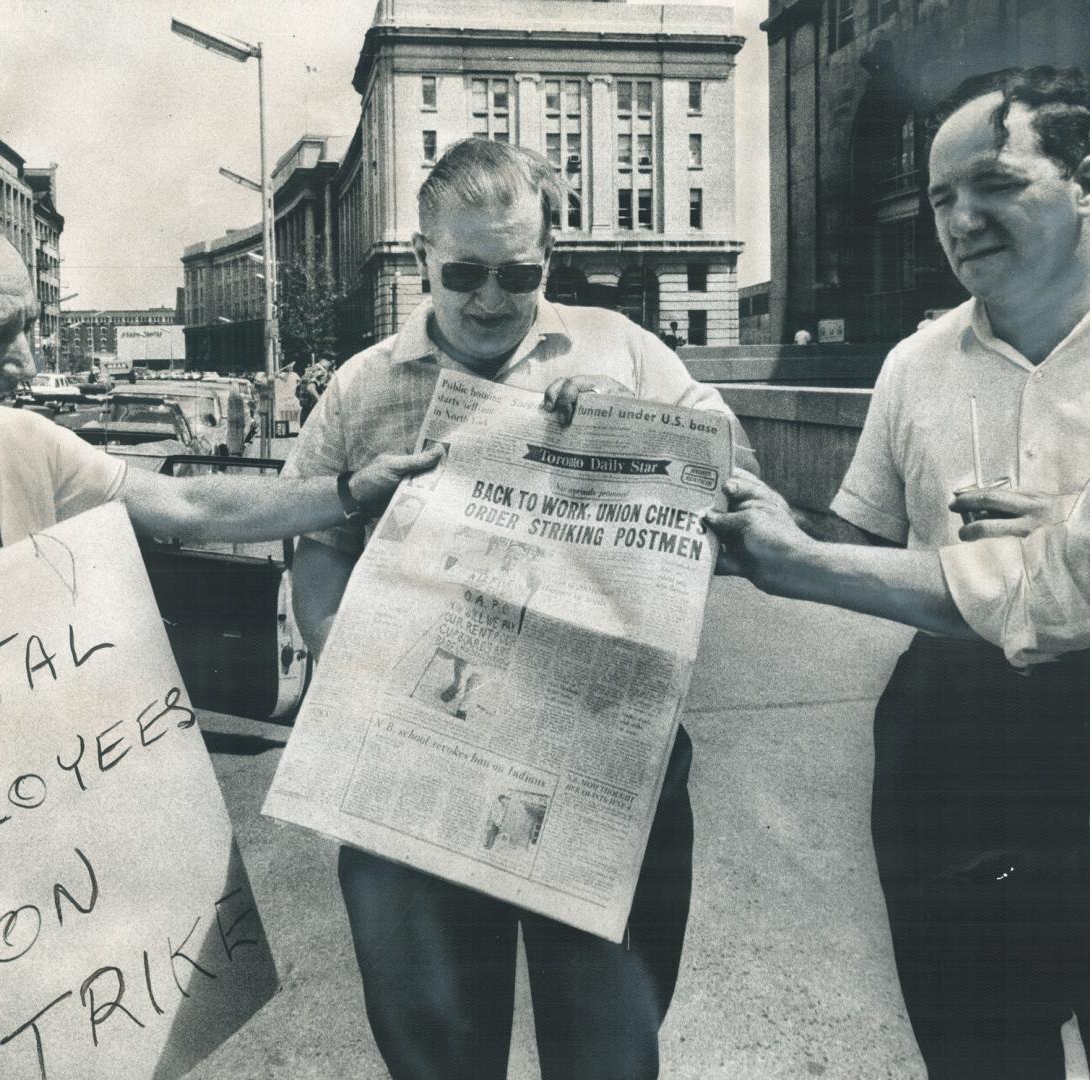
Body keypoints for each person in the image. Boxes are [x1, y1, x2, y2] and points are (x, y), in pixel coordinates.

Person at [285, 137, 756, 1080]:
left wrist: (637, 419)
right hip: (419, 757)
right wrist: (346, 654)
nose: (489, 299)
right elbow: (316, 543)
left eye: (518, 273)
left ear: (551, 256)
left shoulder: (623, 346)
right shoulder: (361, 385)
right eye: (462, 272)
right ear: (419, 255)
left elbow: (736, 481)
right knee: (436, 1047)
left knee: (609, 1044)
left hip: (599, 760)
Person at [706, 67, 1090, 1079]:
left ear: (1088, 183)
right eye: (939, 199)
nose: (960, 220)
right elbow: (852, 537)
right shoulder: (914, 365)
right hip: (954, 734)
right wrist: (752, 510)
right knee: (977, 1050)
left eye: (993, 184)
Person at [0, 196, 438, 638]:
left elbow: (188, 503)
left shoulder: (27, 441)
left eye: (28, 326)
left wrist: (348, 491)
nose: (28, 365)